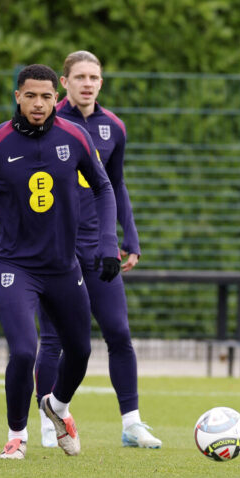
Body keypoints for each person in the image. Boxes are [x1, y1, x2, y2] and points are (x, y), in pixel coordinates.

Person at [0, 64, 120, 460]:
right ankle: (16, 434)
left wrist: (108, 244)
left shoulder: (75, 136)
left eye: (47, 96)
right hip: (15, 267)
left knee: (81, 351)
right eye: (31, 96)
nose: (39, 104)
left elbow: (105, 189)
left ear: (58, 97)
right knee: (23, 351)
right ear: (17, 96)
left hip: (63, 266)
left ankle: (57, 408)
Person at [33, 50, 160, 449]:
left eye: (95, 77)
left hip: (98, 248)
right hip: (55, 252)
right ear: (64, 83)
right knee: (53, 339)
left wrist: (130, 237)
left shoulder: (113, 128)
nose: (88, 83)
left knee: (119, 332)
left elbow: (115, 185)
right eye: (80, 77)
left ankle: (132, 424)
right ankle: (47, 420)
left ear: (101, 83)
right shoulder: (49, 123)